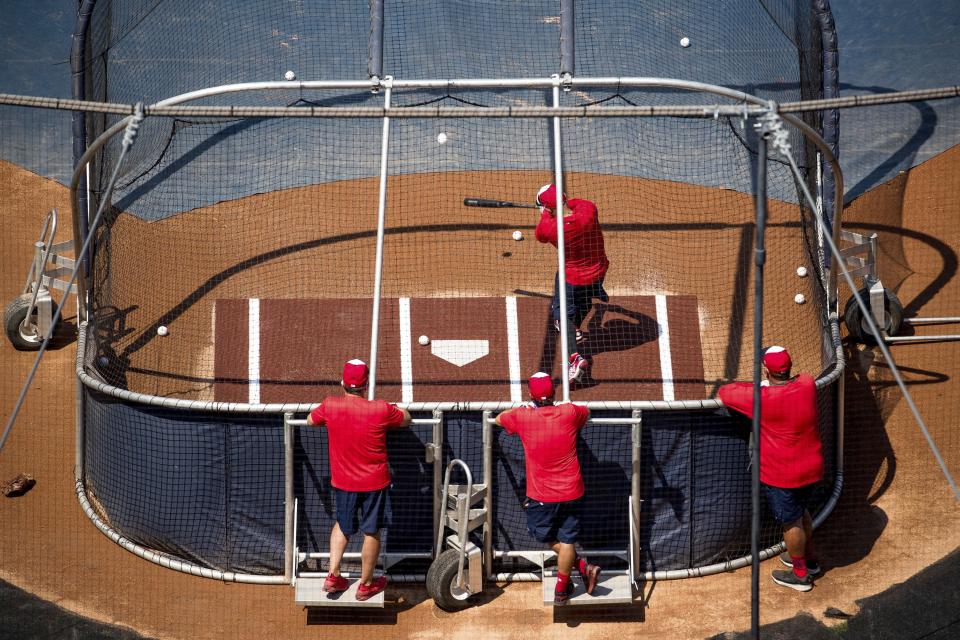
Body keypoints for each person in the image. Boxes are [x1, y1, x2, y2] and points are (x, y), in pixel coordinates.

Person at [718, 346, 824, 592]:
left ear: (766, 370)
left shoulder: (762, 399)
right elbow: (802, 377)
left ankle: (800, 575)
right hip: (813, 468)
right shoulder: (807, 385)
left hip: (784, 475)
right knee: (801, 512)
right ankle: (809, 560)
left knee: (791, 523)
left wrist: (762, 385)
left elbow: (726, 391)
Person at [307, 359, 412, 600]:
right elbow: (406, 418)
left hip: (343, 482)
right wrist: (395, 408)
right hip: (375, 483)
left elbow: (310, 420)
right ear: (365, 385)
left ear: (342, 383)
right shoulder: (381, 408)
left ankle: (333, 575)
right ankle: (366, 584)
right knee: (371, 531)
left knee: (342, 525)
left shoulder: (330, 405)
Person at [494, 372, 602, 604]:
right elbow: (587, 412)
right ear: (553, 393)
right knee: (568, 541)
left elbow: (498, 419)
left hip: (542, 495)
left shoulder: (523, 416)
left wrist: (523, 407)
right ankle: (564, 588)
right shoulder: (569, 412)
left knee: (545, 537)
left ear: (531, 395)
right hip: (573, 491)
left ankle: (579, 569)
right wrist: (566, 404)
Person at [534, 184, 609, 384]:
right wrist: (563, 203)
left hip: (572, 277)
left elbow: (541, 233)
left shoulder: (548, 228)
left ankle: (575, 358)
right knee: (584, 302)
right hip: (598, 270)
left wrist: (545, 213)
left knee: (561, 314)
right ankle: (574, 327)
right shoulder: (588, 210)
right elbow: (574, 204)